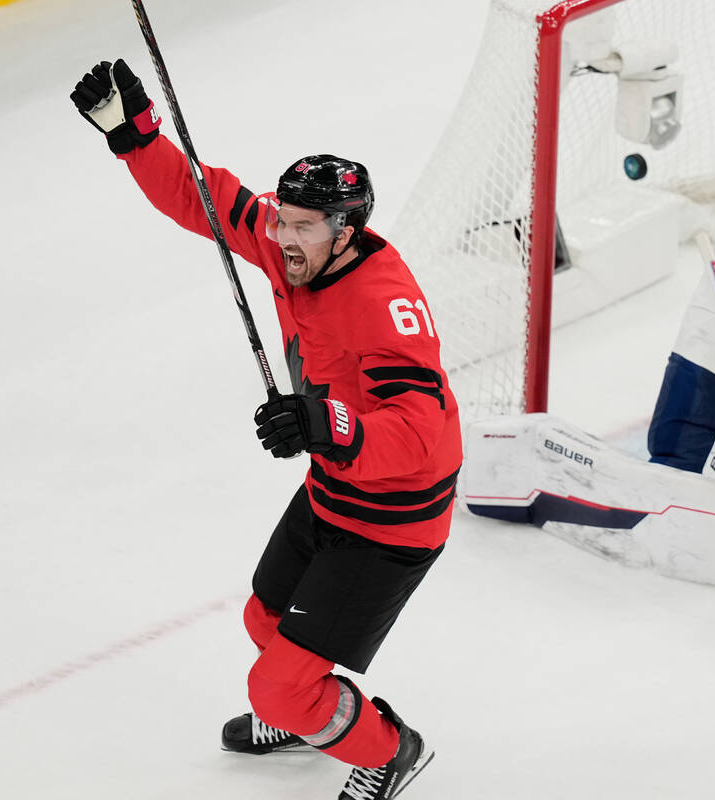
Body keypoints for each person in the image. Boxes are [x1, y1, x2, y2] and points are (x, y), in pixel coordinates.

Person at [70, 59, 461, 800]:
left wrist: (323, 422)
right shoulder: (292, 248)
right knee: (265, 618)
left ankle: (387, 751)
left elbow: (417, 432)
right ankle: (315, 715)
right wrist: (136, 135)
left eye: (304, 226)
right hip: (333, 488)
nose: (284, 236)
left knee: (275, 688)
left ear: (346, 231)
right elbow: (207, 199)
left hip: (392, 520)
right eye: (283, 218)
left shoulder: (384, 307)